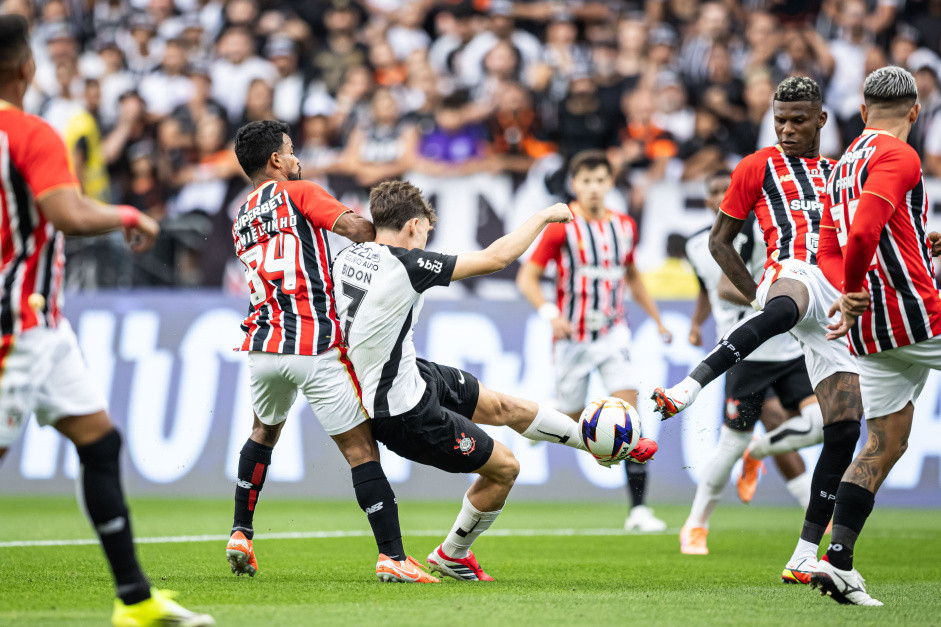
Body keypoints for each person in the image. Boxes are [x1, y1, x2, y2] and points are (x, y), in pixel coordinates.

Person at [0, 15, 213, 626]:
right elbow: (65, 211)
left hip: (46, 324)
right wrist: (123, 211)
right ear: (26, 68)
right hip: (18, 323)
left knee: (100, 438)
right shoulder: (32, 133)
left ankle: (135, 600)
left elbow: (55, 206)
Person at [332, 179, 657, 581]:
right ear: (413, 225)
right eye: (427, 231)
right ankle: (453, 553)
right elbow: (496, 258)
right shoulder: (407, 265)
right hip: (403, 412)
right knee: (505, 467)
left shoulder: (347, 256)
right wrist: (544, 216)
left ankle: (597, 445)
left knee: (507, 407)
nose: (425, 239)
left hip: (413, 373)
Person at [651, 77, 865, 585]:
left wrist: (924, 242)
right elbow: (719, 242)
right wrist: (755, 294)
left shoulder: (840, 174)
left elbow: (866, 231)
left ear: (821, 120)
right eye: (780, 120)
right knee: (784, 308)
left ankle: (804, 553)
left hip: (824, 308)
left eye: (797, 120)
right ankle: (690, 385)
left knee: (844, 429)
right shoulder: (757, 166)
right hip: (787, 277)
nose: (787, 130)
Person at [226, 120, 436, 584]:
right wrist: (394, 234)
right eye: (292, 151)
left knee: (262, 432)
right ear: (276, 161)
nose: (297, 159)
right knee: (361, 449)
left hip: (263, 345)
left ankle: (242, 531)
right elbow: (357, 229)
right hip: (313, 342)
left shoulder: (241, 215)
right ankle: (393, 556)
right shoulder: (299, 192)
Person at [812, 65, 941, 606]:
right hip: (913, 311)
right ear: (915, 112)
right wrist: (858, 285)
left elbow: (830, 247)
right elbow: (864, 231)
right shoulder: (899, 154)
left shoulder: (841, 167)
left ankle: (837, 560)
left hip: (870, 329)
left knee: (885, 442)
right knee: (882, 442)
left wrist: (847, 291)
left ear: (862, 112)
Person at [516, 150, 670, 533]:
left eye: (600, 180)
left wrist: (657, 319)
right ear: (574, 185)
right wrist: (552, 315)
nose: (593, 188)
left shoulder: (623, 226)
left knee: (629, 414)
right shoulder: (561, 226)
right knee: (568, 415)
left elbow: (631, 274)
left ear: (609, 183)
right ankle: (545, 423)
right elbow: (528, 277)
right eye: (585, 181)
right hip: (574, 336)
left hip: (613, 331)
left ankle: (638, 510)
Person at [681, 168, 822, 555]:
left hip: (792, 346)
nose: (721, 195)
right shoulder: (701, 244)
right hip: (748, 353)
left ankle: (758, 452)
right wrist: (698, 322)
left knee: (824, 424)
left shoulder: (769, 227)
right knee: (729, 446)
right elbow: (719, 288)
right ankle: (695, 525)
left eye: (728, 189)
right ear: (709, 200)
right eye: (714, 191)